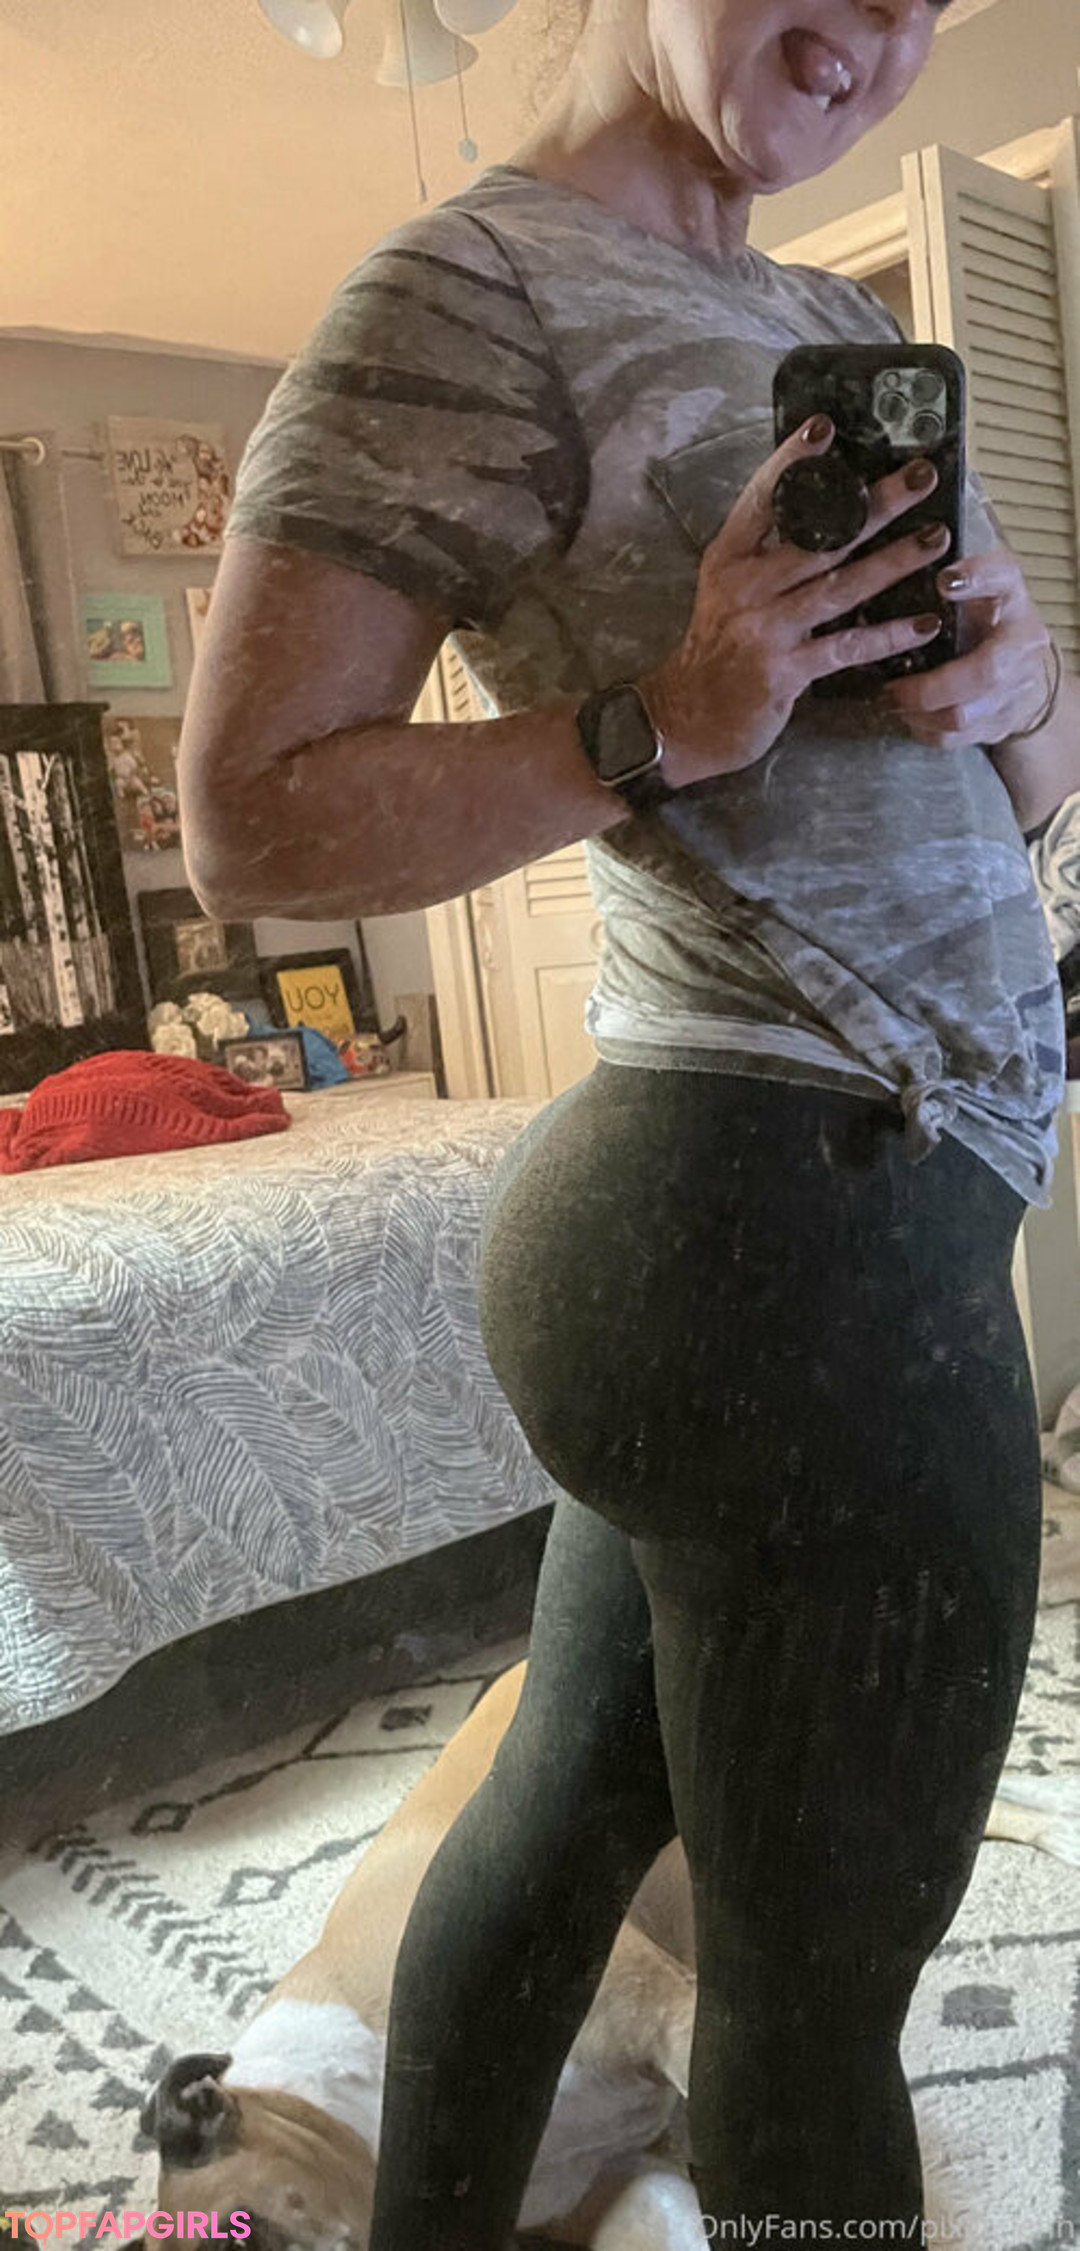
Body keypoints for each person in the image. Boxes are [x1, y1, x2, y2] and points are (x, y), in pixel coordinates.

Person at [178, 0, 1077, 2240]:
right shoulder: (467, 290)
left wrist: (1021, 679)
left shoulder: (814, 320)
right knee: (813, 1993)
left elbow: (1028, 804)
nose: (887, 34)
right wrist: (665, 714)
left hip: (789, 1234)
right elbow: (250, 826)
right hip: (781, 1228)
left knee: (571, 1809)